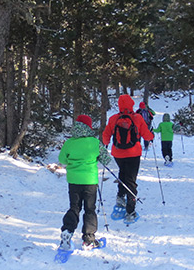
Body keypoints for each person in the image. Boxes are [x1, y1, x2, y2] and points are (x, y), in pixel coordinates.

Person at [58, 114, 112, 251]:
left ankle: (68, 230)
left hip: (74, 181)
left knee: (74, 207)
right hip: (90, 181)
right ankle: (88, 239)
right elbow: (107, 159)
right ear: (89, 127)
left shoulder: (69, 142)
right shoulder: (94, 142)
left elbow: (62, 160)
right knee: (89, 209)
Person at [102, 95, 154, 223]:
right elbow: (146, 135)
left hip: (118, 153)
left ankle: (120, 197)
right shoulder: (137, 118)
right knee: (131, 180)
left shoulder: (114, 118)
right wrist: (151, 135)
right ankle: (130, 211)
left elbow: (106, 135)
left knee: (123, 174)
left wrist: (106, 143)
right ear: (131, 104)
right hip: (133, 153)